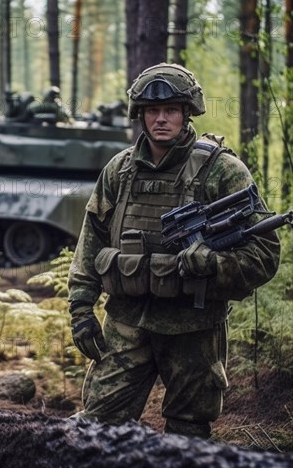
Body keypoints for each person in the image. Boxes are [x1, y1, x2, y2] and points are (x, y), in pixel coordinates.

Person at [67, 63, 281, 438]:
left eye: (171, 111)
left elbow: (264, 252)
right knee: (96, 429)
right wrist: (81, 309)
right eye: (152, 111)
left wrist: (215, 264)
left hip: (192, 328)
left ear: (186, 113)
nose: (161, 119)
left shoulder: (223, 171)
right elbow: (92, 242)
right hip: (127, 322)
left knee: (187, 433)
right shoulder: (119, 171)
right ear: (140, 115)